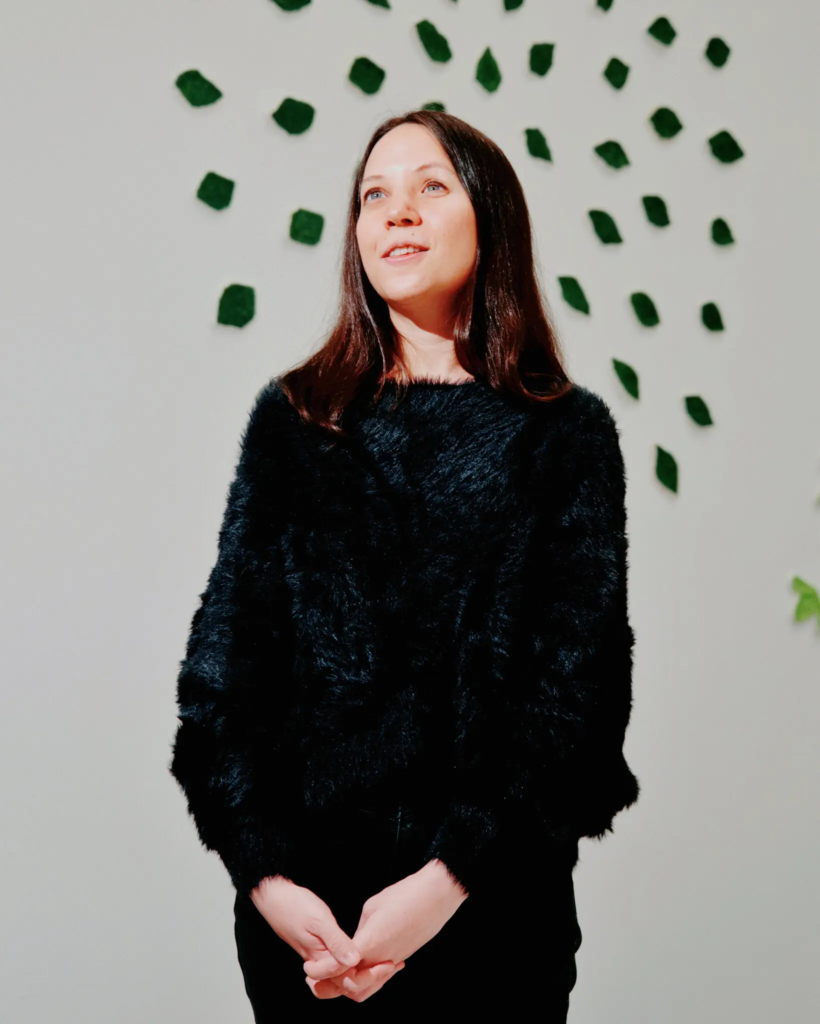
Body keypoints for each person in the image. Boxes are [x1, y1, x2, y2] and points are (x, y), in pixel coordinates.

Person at [168, 108, 640, 1020]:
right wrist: (267, 880)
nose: (397, 213)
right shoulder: (296, 420)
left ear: (489, 216)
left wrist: (444, 884)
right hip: (309, 937)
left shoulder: (565, 436)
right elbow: (224, 675)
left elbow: (575, 701)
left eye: (431, 187)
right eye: (374, 195)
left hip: (493, 919)